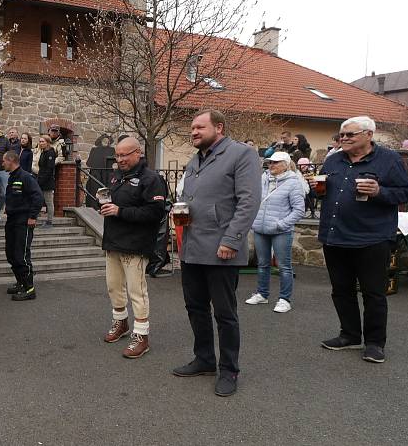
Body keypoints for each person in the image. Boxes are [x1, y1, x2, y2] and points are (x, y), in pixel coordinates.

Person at [309, 116, 408, 364]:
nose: (343, 139)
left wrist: (379, 192)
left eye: (349, 135)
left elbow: (407, 193)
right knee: (341, 291)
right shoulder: (334, 159)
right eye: (341, 135)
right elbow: (323, 191)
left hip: (372, 238)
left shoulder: (389, 160)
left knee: (373, 293)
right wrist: (317, 190)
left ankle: (375, 343)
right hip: (335, 236)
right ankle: (350, 335)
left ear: (368, 135)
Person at [172, 109, 261, 397]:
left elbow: (249, 202)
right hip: (192, 247)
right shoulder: (194, 160)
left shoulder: (241, 155)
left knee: (225, 313)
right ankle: (205, 359)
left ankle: (229, 369)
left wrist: (232, 240)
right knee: (195, 308)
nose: (194, 132)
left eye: (200, 127)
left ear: (219, 127)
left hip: (222, 249)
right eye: (192, 128)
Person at [100, 137, 167, 359]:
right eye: (117, 155)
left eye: (124, 155)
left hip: (136, 245)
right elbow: (117, 203)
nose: (120, 159)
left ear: (138, 153)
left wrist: (120, 211)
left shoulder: (152, 179)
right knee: (113, 286)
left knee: (137, 291)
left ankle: (141, 336)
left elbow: (155, 213)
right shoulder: (117, 175)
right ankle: (121, 323)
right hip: (113, 242)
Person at [245, 152, 305, 313]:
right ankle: (262, 294)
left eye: (275, 163)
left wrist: (281, 224)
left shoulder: (293, 183)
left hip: (281, 231)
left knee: (284, 266)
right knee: (263, 264)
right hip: (260, 228)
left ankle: (285, 299)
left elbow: (299, 210)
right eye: (270, 162)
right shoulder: (263, 179)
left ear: (285, 164)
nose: (271, 165)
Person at [2, 151, 43, 301]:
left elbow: (38, 197)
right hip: (12, 221)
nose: (2, 164)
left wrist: (32, 216)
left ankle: (29, 289)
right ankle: (20, 282)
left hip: (23, 221)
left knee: (21, 255)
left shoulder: (26, 177)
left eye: (4, 161)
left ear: (11, 160)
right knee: (11, 254)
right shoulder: (12, 177)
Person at [34, 135, 57, 228]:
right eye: (40, 141)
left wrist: (41, 181)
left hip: (47, 182)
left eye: (43, 141)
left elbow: (49, 169)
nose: (41, 143)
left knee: (49, 202)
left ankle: (50, 221)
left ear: (48, 142)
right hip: (41, 179)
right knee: (38, 199)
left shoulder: (50, 153)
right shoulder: (44, 152)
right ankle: (35, 217)